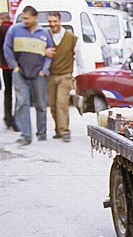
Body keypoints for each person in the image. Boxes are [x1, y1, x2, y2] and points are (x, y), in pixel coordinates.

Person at [3, 6, 51, 146]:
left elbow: (49, 54)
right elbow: (7, 48)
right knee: (22, 103)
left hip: (38, 74)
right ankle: (26, 135)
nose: (24, 21)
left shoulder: (43, 33)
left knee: (41, 104)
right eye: (23, 18)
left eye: (27, 18)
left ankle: (41, 133)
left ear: (35, 18)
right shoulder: (15, 30)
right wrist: (14, 66)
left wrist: (44, 70)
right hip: (20, 73)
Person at [46, 11, 82, 142]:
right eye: (50, 21)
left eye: (55, 21)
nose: (53, 24)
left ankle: (65, 130)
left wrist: (77, 77)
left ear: (60, 21)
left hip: (65, 75)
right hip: (50, 75)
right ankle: (58, 129)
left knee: (61, 102)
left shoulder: (71, 38)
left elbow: (79, 58)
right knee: (52, 104)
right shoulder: (45, 36)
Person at [0, 12, 16, 131]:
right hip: (16, 65)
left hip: (5, 65)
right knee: (20, 92)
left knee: (8, 91)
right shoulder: (14, 29)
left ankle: (8, 117)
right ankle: (16, 120)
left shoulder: (1, 29)